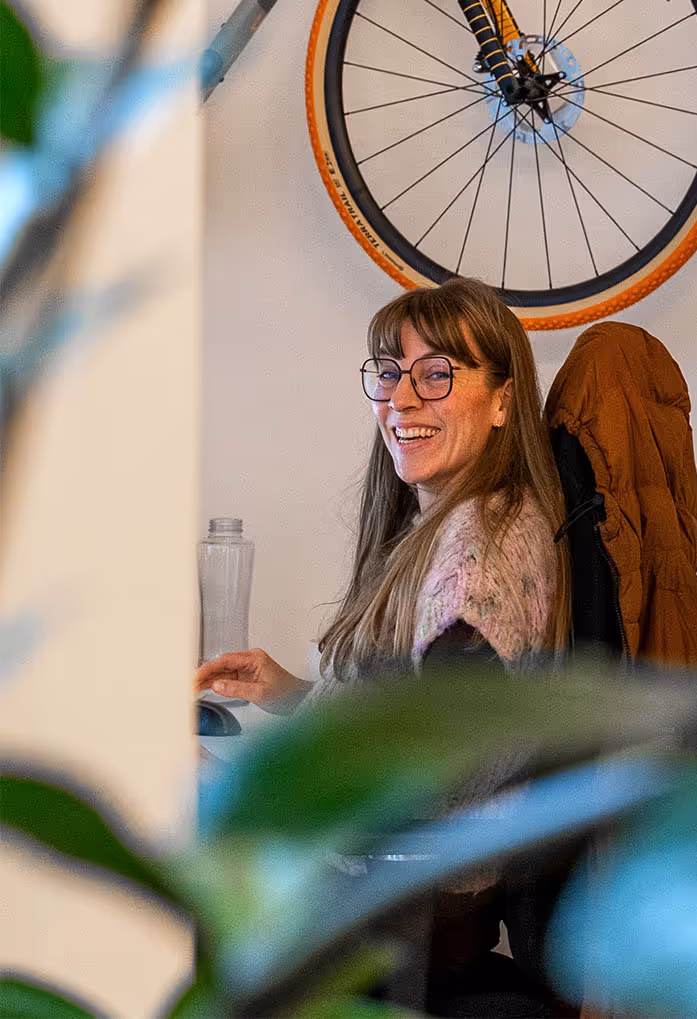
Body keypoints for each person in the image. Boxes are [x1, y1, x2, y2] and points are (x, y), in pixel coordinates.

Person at [196, 276, 569, 1012]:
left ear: (502, 397)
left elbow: (419, 790)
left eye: (436, 374)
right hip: (406, 900)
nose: (400, 402)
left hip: (392, 916)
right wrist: (296, 696)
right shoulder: (483, 515)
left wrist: (240, 785)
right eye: (390, 373)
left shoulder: (473, 565)